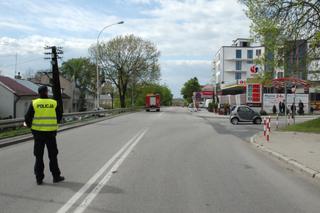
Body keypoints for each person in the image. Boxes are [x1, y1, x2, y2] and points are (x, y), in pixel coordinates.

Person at [25, 85, 65, 185]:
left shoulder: (34, 103)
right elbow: (59, 115)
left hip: (38, 134)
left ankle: (39, 179)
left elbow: (27, 117)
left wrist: (31, 127)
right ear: (47, 92)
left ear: (39, 93)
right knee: (53, 156)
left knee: (39, 157)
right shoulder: (53, 103)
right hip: (51, 133)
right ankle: (56, 177)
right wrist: (54, 123)